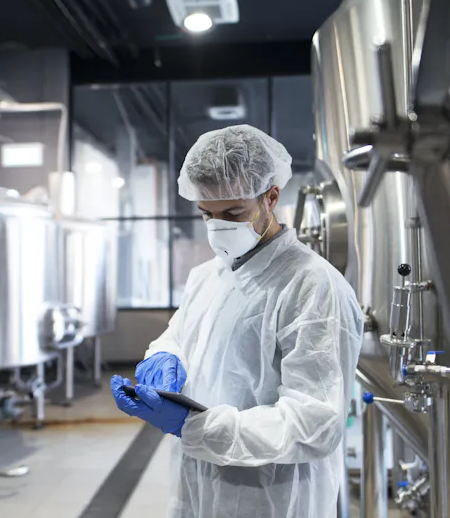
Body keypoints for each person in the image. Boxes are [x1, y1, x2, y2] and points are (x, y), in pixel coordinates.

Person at [111, 124, 364, 518]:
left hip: (272, 498)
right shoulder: (208, 276)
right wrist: (162, 359)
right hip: (197, 485)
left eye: (233, 213)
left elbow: (314, 423)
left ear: (271, 197)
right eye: (206, 214)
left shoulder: (313, 285)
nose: (218, 227)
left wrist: (194, 427)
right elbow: (176, 337)